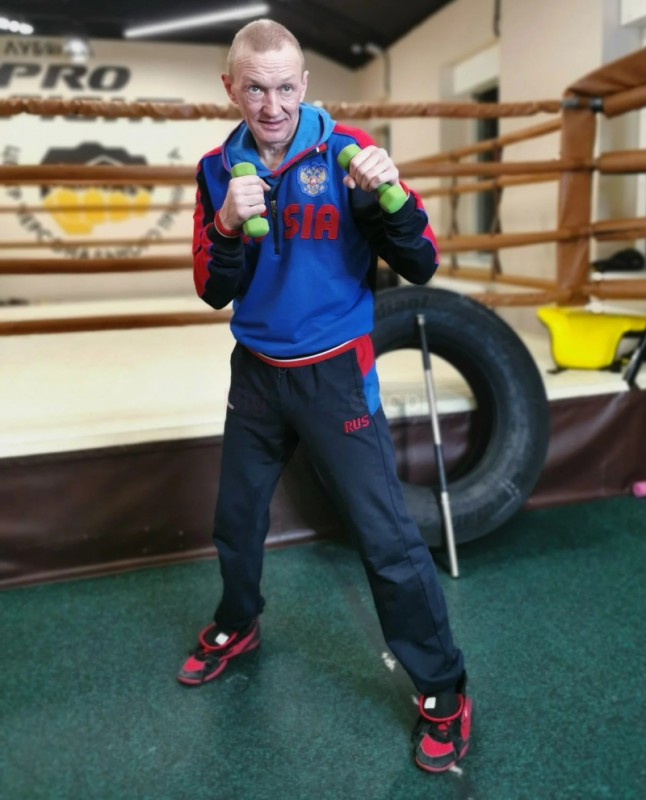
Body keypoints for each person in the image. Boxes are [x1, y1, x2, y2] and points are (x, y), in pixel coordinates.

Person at [181, 18, 472, 774]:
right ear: (231, 88)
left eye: (285, 87)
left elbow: (422, 262)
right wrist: (225, 224)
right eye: (255, 89)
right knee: (236, 519)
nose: (272, 105)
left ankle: (443, 690)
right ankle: (239, 620)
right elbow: (213, 287)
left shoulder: (349, 152)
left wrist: (388, 200)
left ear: (305, 85)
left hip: (336, 372)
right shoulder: (217, 168)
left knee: (385, 537)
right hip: (256, 371)